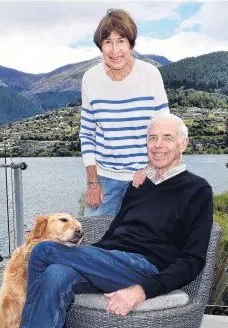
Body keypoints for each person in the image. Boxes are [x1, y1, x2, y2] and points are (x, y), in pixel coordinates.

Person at [18, 113, 213, 328]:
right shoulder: (139, 185)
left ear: (183, 144)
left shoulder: (198, 190)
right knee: (55, 275)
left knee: (43, 249)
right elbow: (113, 234)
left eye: (167, 138)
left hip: (145, 268)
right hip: (110, 264)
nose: (158, 145)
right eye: (152, 138)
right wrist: (89, 255)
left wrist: (143, 290)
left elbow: (193, 260)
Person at [79, 8, 170, 217]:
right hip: (104, 179)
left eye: (120, 41)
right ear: (100, 46)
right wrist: (93, 181)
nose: (114, 50)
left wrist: (149, 168)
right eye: (107, 42)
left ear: (131, 43)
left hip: (145, 175)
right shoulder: (90, 79)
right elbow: (87, 134)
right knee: (93, 241)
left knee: (146, 242)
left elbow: (165, 130)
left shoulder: (150, 75)